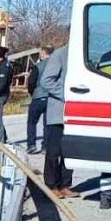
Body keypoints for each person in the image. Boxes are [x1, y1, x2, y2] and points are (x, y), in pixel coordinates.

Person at [40, 46, 77, 198]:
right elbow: (46, 80)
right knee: (54, 151)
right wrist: (68, 95)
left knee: (70, 151)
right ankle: (51, 185)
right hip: (58, 112)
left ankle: (65, 184)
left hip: (75, 113)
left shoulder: (82, 54)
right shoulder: (60, 54)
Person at [26, 46, 53, 154]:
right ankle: (45, 147)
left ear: (43, 53)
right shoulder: (56, 65)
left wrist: (32, 92)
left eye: (40, 54)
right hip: (51, 97)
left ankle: (31, 145)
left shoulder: (38, 66)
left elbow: (31, 82)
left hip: (38, 96)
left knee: (32, 122)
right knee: (47, 124)